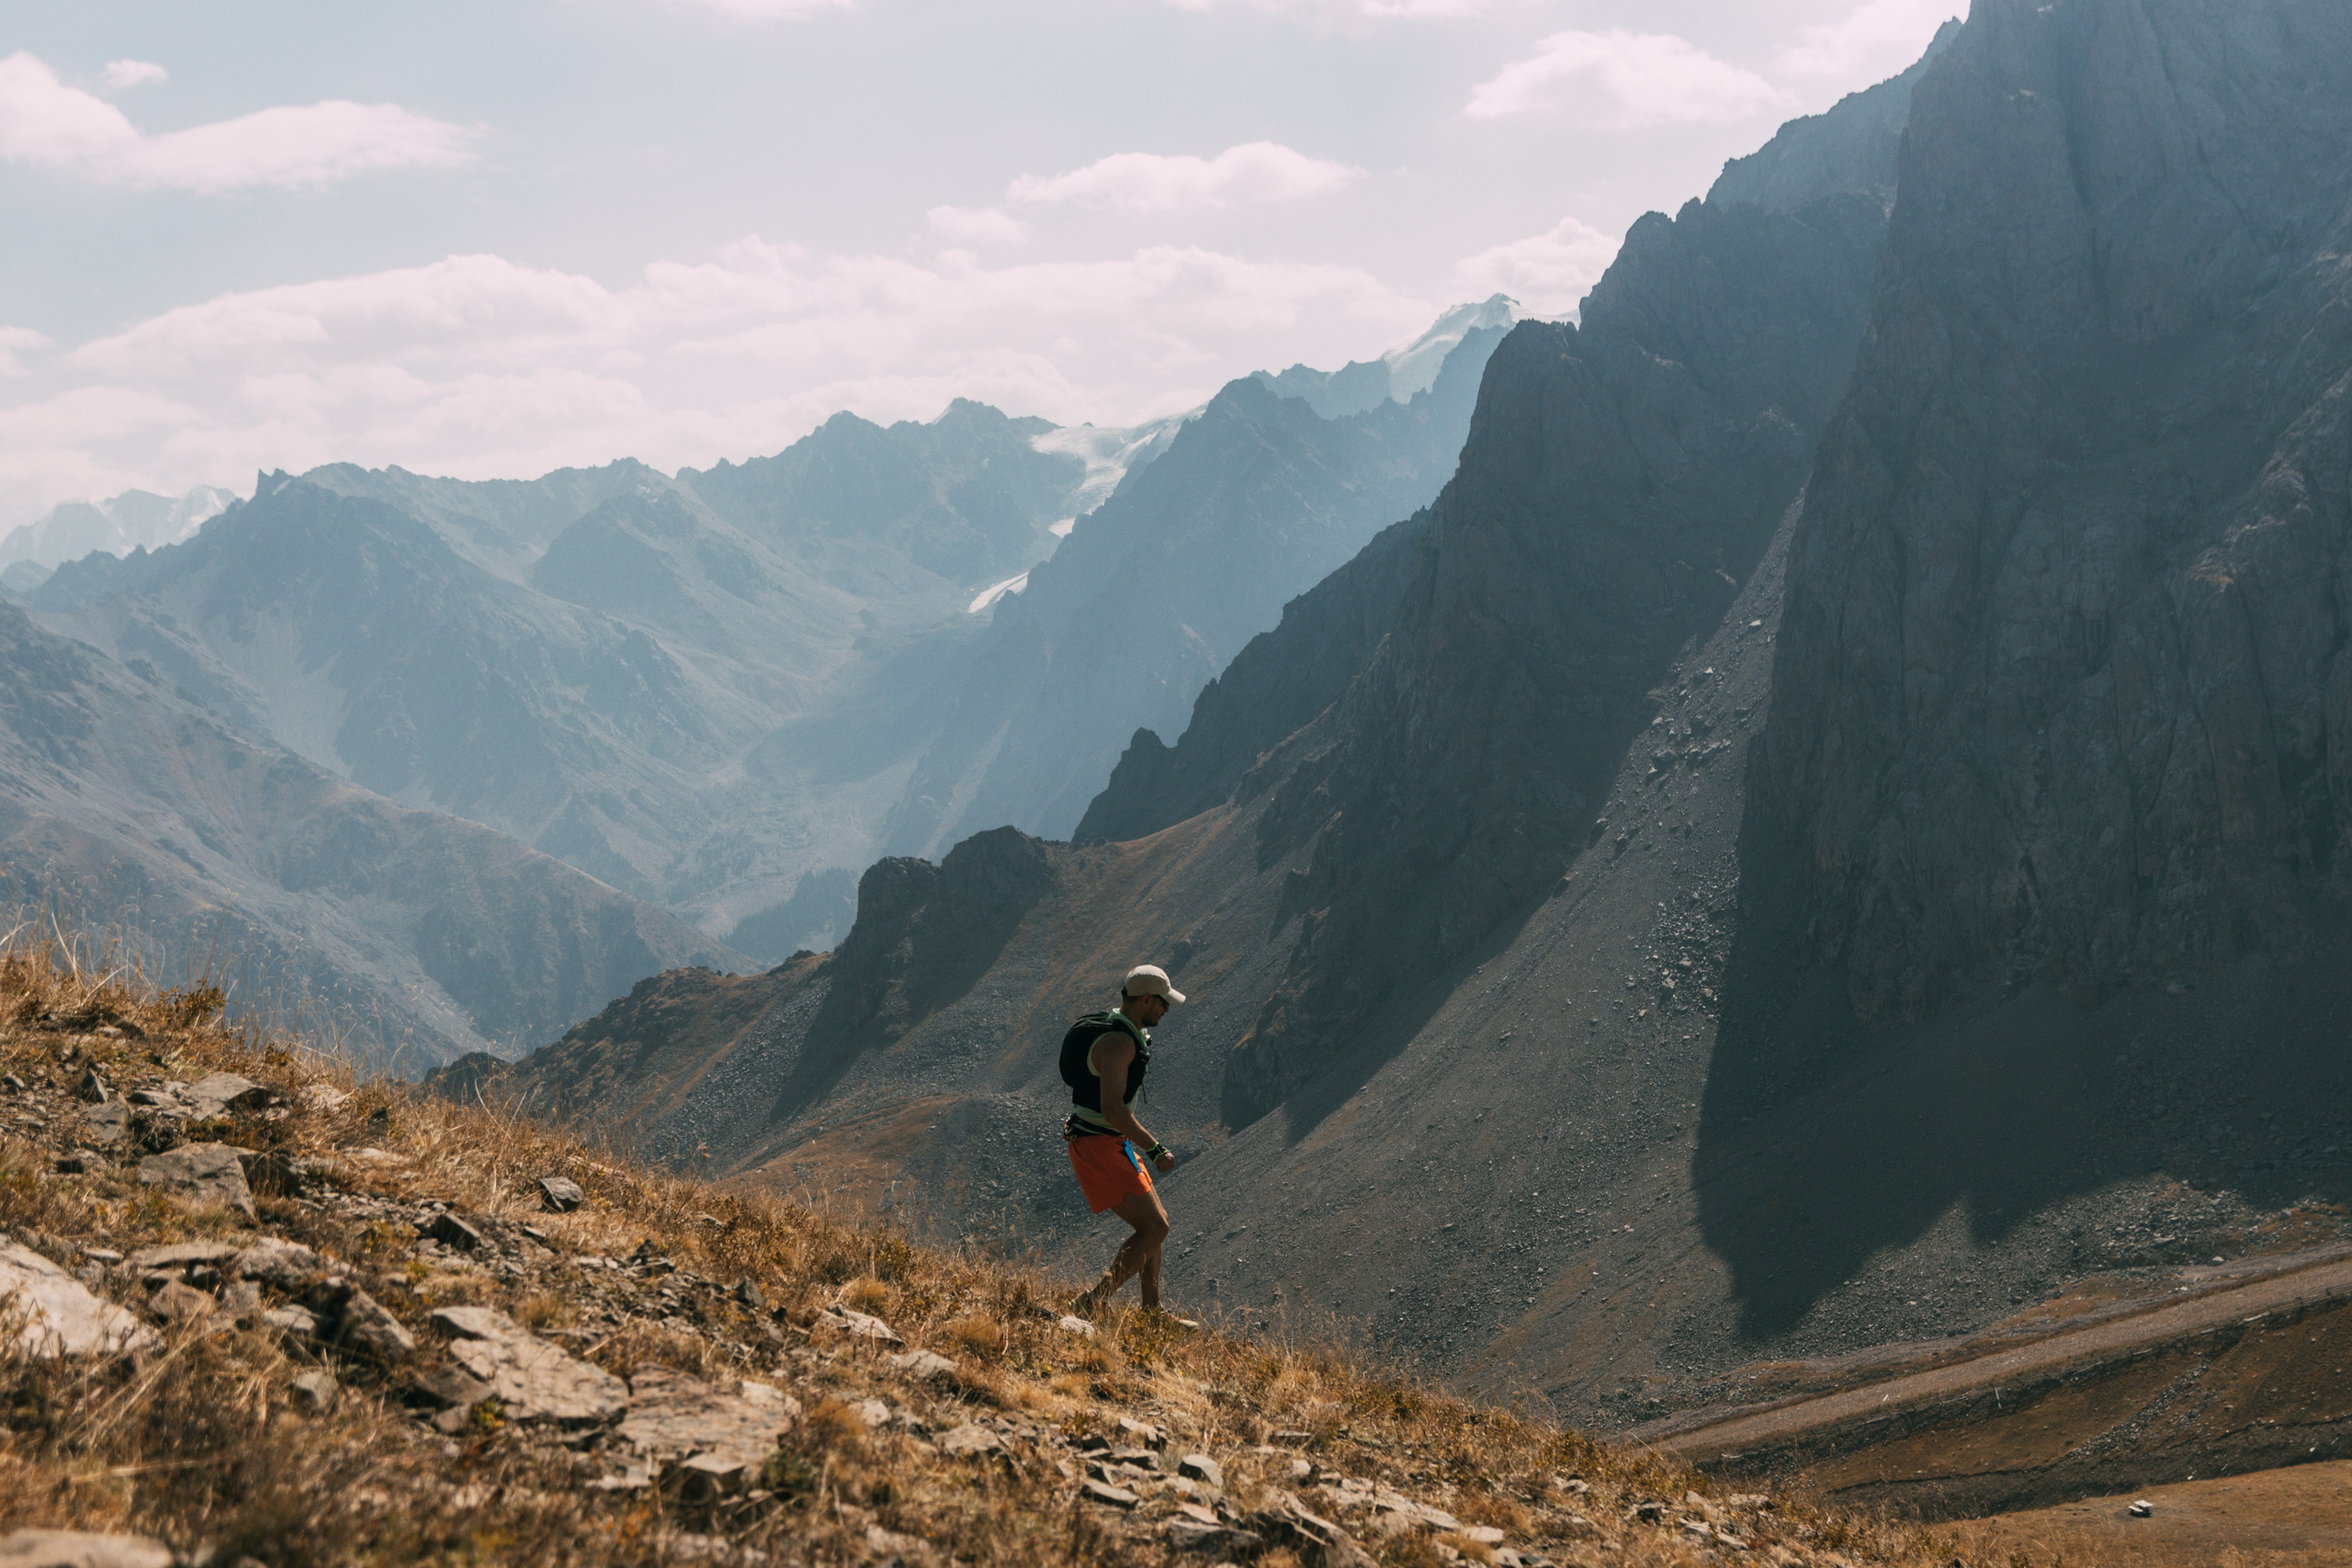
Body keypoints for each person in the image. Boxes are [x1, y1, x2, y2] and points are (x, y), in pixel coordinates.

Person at [1062, 964, 1191, 1320]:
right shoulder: (1119, 1042)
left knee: (1156, 1224)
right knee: (1155, 1228)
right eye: (1163, 1004)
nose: (1166, 1011)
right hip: (1098, 1143)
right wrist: (1155, 1148)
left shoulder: (1121, 1028)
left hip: (1107, 1140)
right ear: (1147, 999)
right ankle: (1091, 1302)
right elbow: (1113, 1109)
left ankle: (1152, 1315)